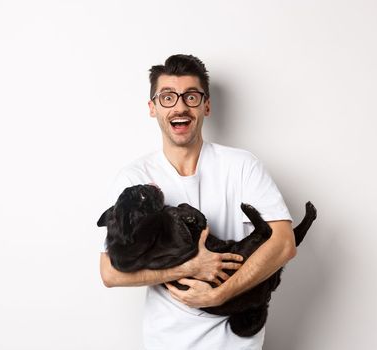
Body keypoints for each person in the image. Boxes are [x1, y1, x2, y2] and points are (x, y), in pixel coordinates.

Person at [99, 54, 297, 349]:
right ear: (152, 108)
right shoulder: (135, 179)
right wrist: (190, 267)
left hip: (237, 341)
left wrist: (220, 294)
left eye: (191, 96)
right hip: (166, 342)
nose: (180, 106)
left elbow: (284, 243)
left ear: (206, 105)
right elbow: (110, 272)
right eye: (167, 97)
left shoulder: (242, 165)